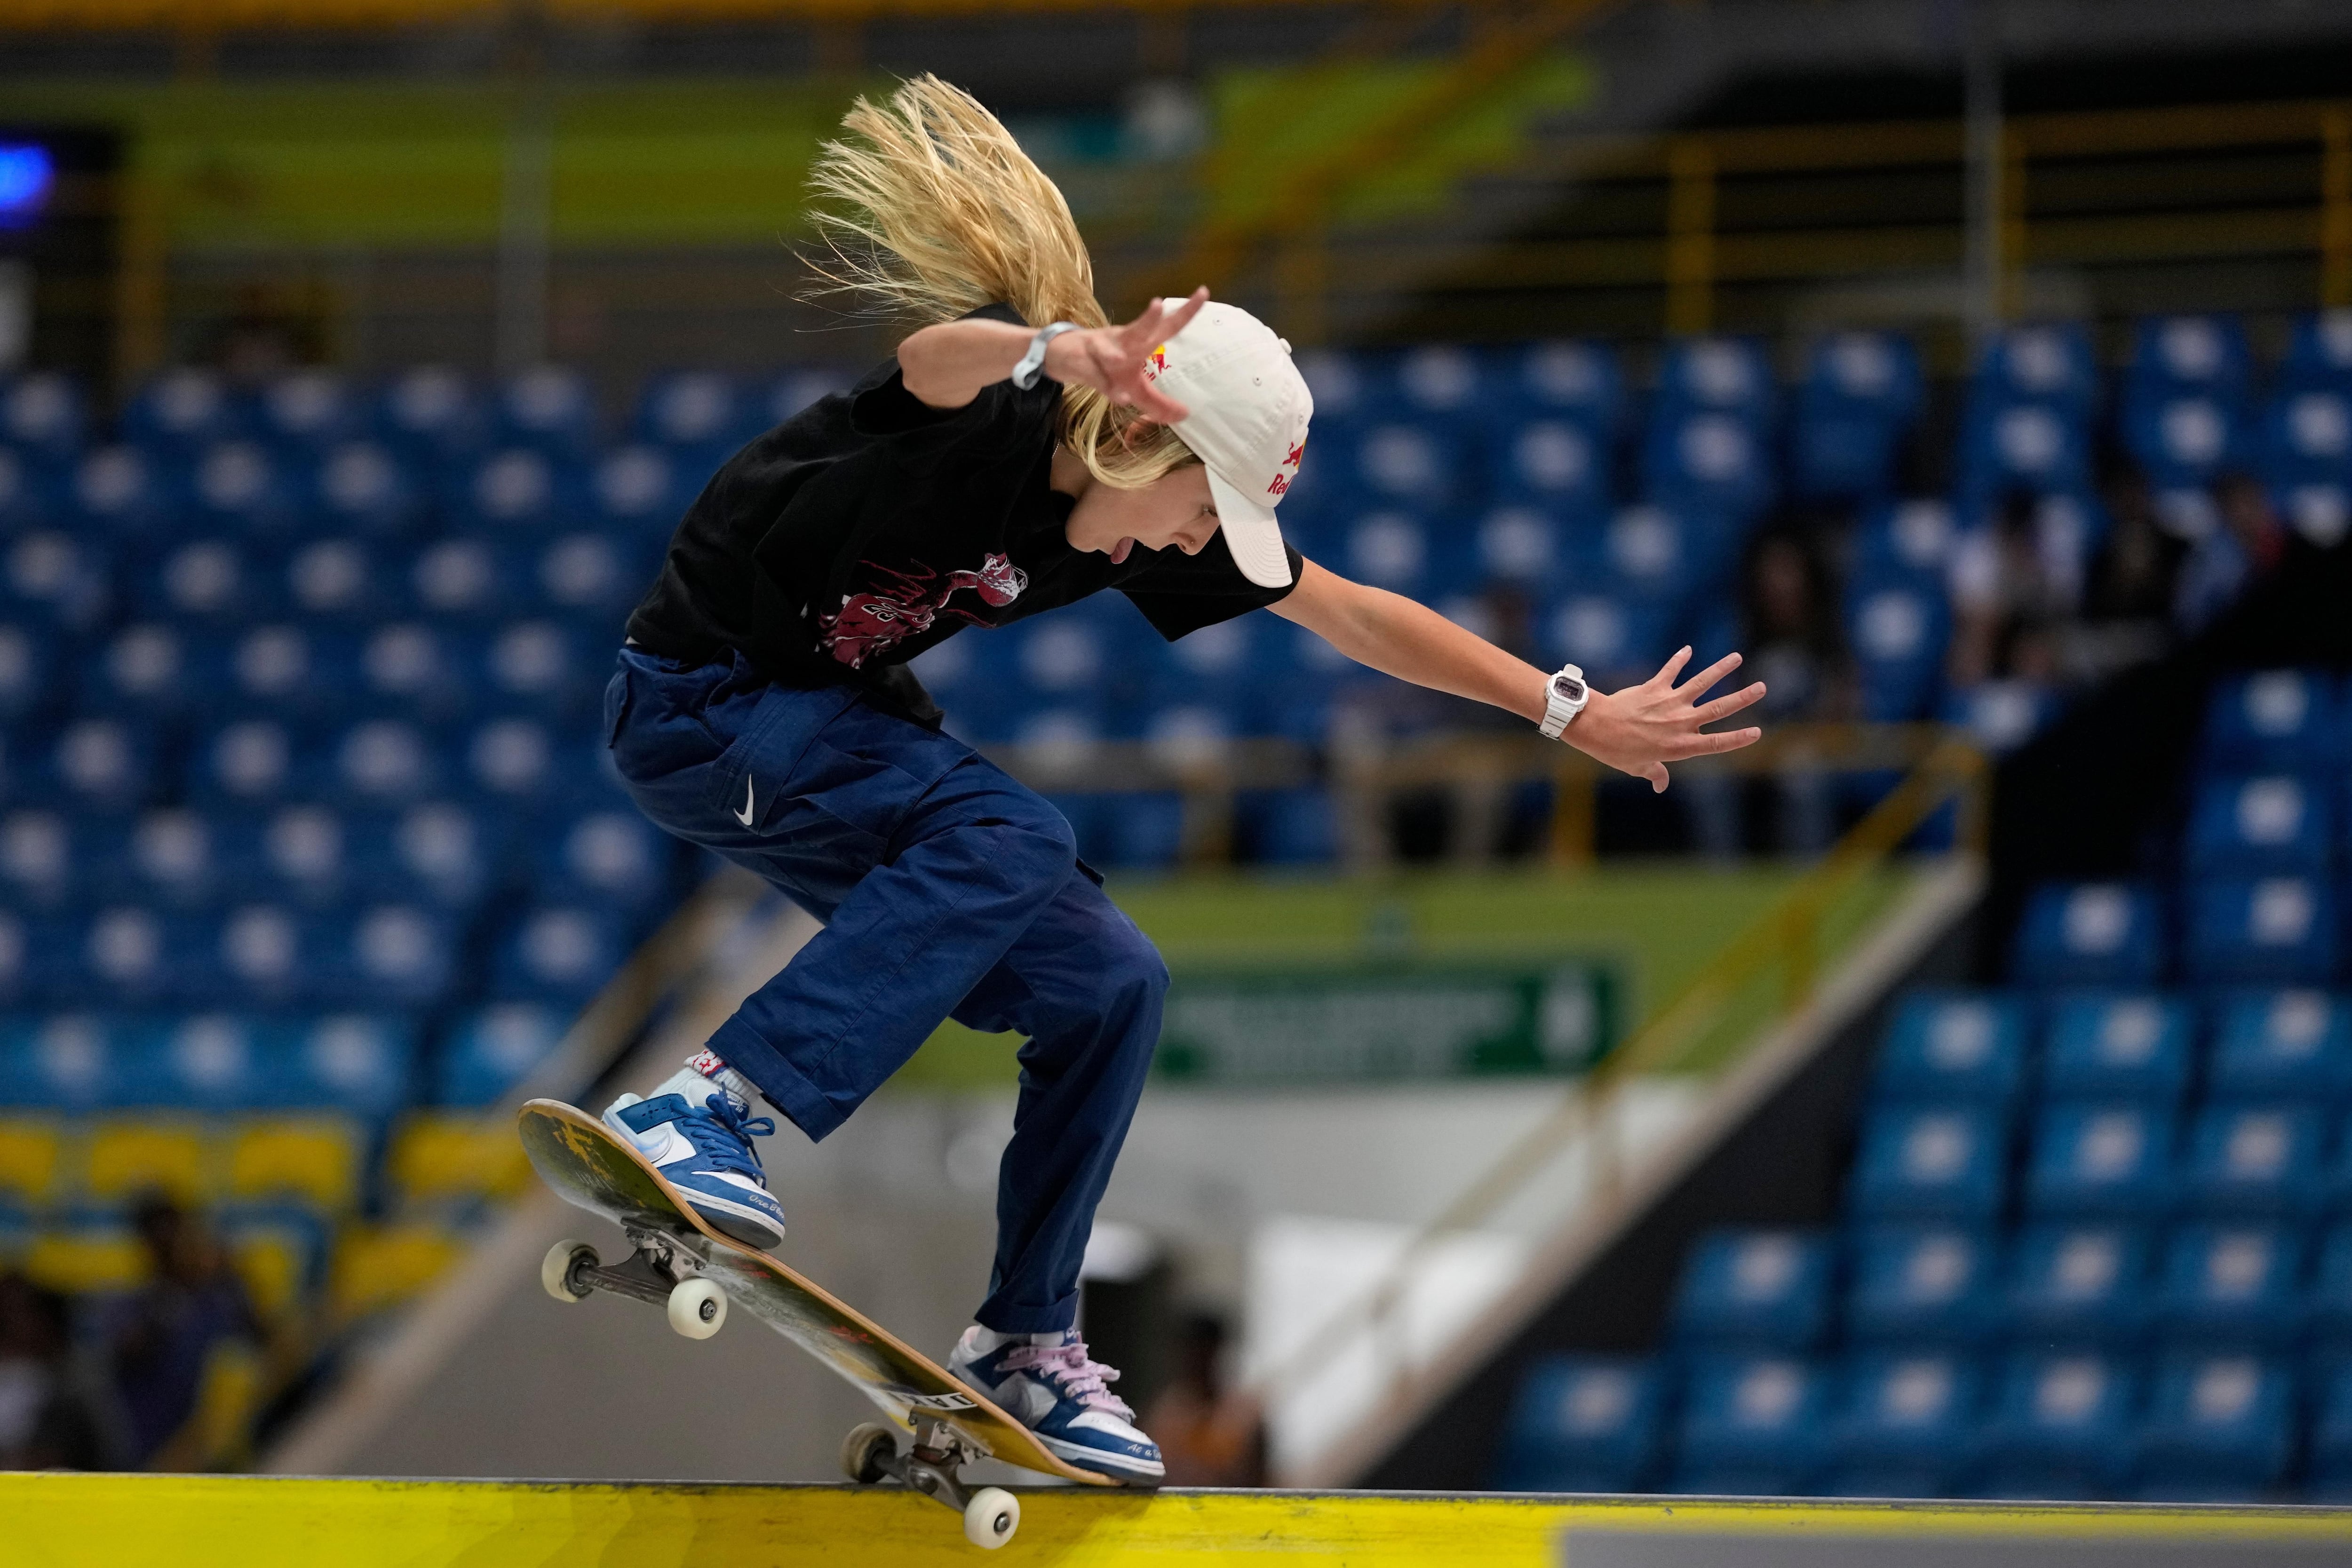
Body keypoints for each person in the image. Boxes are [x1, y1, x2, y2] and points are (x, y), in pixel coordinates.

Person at [588, 74, 1765, 1483]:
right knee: (1007, 833)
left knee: (1111, 980)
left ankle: (1026, 1339)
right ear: (1142, 436)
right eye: (1202, 506)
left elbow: (1351, 611)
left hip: (825, 722)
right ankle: (706, 1107)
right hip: (699, 705)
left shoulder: (1135, 517)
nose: (1192, 543)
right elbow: (932, 356)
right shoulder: (996, 416)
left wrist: (1569, 710)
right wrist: (1059, 355)